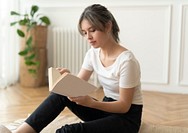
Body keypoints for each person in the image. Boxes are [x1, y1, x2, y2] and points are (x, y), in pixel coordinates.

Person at [14, 4, 143, 133]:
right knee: (62, 93)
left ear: (108, 26)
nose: (88, 37)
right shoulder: (93, 53)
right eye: (84, 32)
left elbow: (124, 106)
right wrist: (68, 79)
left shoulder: (126, 61)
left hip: (126, 118)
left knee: (70, 131)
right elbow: (78, 84)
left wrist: (91, 103)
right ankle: (23, 131)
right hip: (106, 109)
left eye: (92, 30)